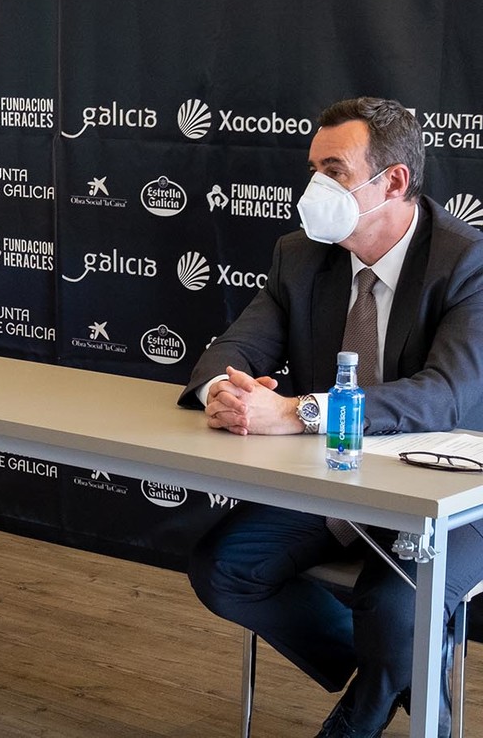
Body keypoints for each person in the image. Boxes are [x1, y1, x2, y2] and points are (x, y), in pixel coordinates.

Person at [181, 97, 483, 737]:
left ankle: (364, 706)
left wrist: (301, 411)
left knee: (393, 606)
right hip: (342, 477)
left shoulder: (465, 261)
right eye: (313, 170)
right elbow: (234, 350)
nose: (315, 188)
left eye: (335, 171)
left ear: (393, 181)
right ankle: (389, 669)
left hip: (457, 488)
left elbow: (446, 395)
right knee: (223, 569)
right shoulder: (300, 254)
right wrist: (222, 393)